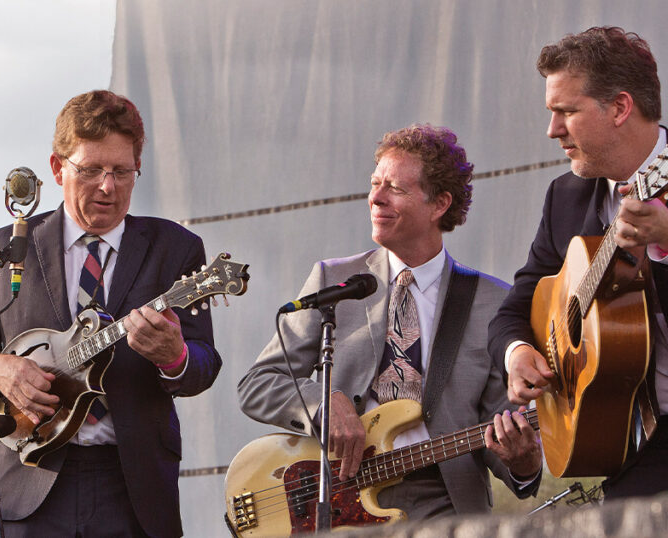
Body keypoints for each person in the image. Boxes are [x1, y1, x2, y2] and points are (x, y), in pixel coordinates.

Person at [0, 89, 221, 538]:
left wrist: (175, 357)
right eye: (91, 170)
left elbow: (204, 363)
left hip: (133, 491)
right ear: (58, 169)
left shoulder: (176, 248)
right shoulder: (8, 247)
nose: (108, 187)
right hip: (27, 483)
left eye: (122, 172)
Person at [238, 124, 541, 520]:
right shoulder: (333, 280)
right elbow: (258, 384)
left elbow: (503, 431)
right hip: (340, 496)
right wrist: (322, 404)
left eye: (395, 188)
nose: (375, 198)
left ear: (439, 204)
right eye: (374, 183)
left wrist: (523, 462)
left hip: (444, 504)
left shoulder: (494, 302)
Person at [489, 26, 668, 498]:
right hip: (633, 453)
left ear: (620, 108)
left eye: (566, 111)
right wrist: (517, 353)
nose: (553, 130)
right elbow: (515, 308)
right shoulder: (564, 198)